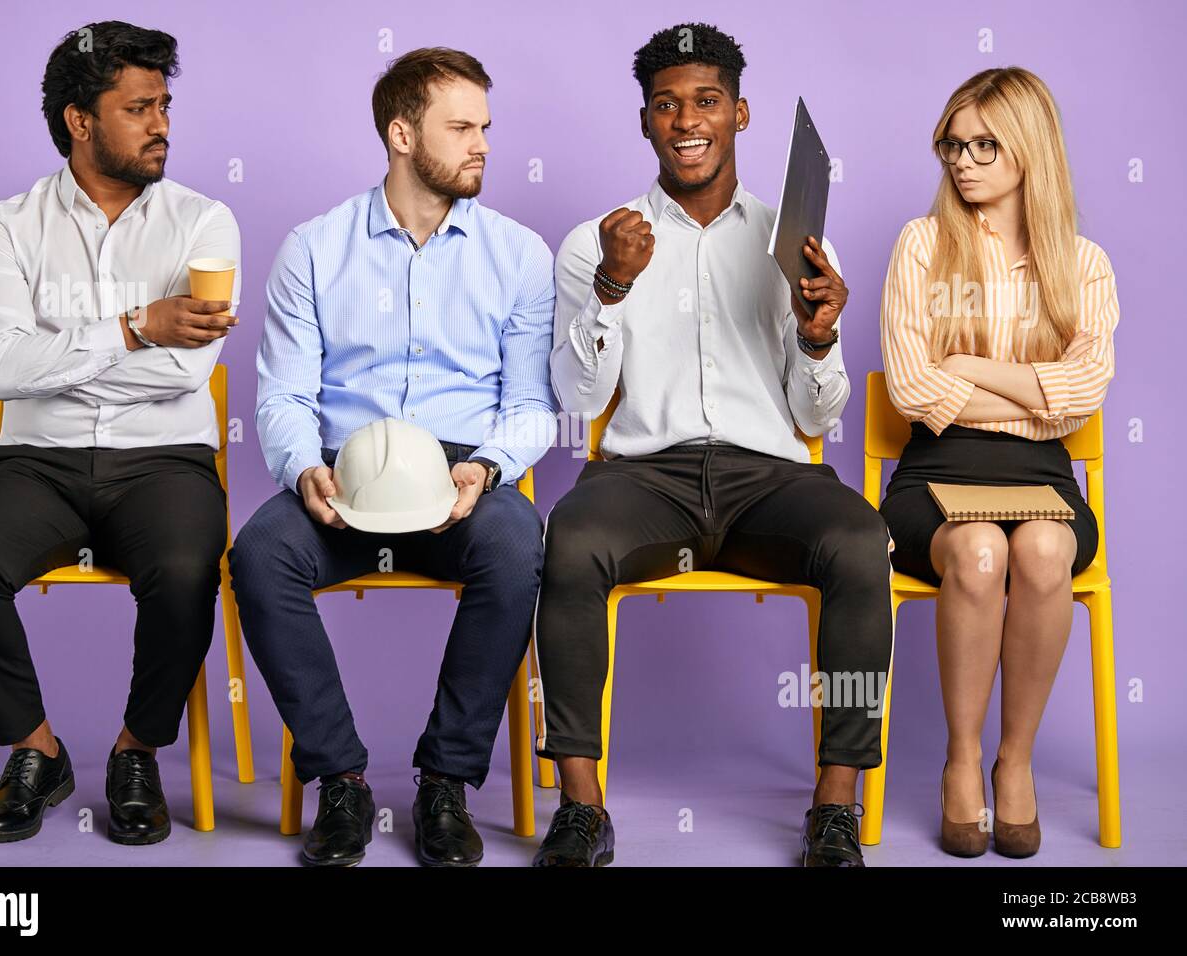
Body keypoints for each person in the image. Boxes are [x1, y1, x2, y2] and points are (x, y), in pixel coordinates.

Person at [531, 22, 893, 868]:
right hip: (643, 478)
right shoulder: (595, 242)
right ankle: (582, 809)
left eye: (706, 101)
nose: (686, 119)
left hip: (768, 476)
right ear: (645, 122)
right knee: (571, 539)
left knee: (857, 538)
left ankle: (835, 804)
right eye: (667, 104)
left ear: (740, 113)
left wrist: (817, 338)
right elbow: (575, 398)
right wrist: (612, 288)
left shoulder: (794, 241)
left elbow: (818, 413)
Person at [228, 47, 557, 867]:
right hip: (346, 470)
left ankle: (446, 782)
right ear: (402, 133)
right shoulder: (314, 247)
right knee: (260, 554)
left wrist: (487, 467)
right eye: (461, 127)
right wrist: (305, 468)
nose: (482, 143)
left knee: (518, 549)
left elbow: (529, 406)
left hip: (460, 470)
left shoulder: (519, 254)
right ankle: (339, 777)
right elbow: (283, 395)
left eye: (486, 126)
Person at [0, 21, 241, 845]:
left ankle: (138, 750)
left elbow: (185, 374)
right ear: (79, 120)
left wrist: (60, 353)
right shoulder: (5, 226)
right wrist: (138, 325)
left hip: (166, 459)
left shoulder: (206, 222)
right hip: (38, 462)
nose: (162, 123)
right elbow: (0, 369)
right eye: (139, 108)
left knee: (184, 569)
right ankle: (33, 750)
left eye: (165, 104)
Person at [878, 66, 1118, 858]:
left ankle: (1014, 765)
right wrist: (1032, 398)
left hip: (1045, 476)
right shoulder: (922, 244)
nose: (964, 161)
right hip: (933, 472)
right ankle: (960, 760)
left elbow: (1081, 399)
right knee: (980, 552)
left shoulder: (1083, 264)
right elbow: (914, 390)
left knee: (1045, 548)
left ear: (1030, 149)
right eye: (953, 144)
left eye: (985, 144)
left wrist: (972, 369)